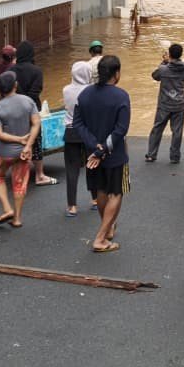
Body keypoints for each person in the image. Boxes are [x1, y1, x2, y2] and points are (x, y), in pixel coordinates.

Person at [71, 55, 130, 253]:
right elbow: (121, 129)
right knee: (116, 192)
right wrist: (103, 149)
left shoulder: (85, 94)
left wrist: (94, 147)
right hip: (114, 154)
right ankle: (100, 237)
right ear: (117, 73)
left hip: (91, 155)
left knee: (101, 191)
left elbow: (77, 123)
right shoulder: (121, 96)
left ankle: (108, 228)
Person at [0, 71, 40, 228]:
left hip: (2, 152)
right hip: (23, 152)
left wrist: (18, 139)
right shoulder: (28, 101)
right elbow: (37, 123)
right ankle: (17, 218)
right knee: (19, 183)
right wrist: (28, 144)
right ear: (15, 85)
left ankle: (7, 208)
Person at [10, 40, 55, 186]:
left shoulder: (10, 71)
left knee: (17, 141)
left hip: (14, 111)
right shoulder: (36, 71)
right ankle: (39, 175)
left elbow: (7, 92)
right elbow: (36, 92)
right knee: (35, 142)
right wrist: (27, 102)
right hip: (32, 111)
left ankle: (19, 174)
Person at [144, 43, 184, 164]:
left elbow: (155, 76)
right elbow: (178, 65)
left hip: (164, 104)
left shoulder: (164, 69)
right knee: (177, 131)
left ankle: (151, 154)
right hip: (179, 104)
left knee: (157, 129)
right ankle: (174, 156)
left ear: (169, 54)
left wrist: (164, 62)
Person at [62, 61, 94, 217]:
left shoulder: (66, 90)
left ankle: (72, 206)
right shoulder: (92, 91)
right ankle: (95, 199)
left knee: (71, 169)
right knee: (92, 165)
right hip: (88, 132)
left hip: (70, 132)